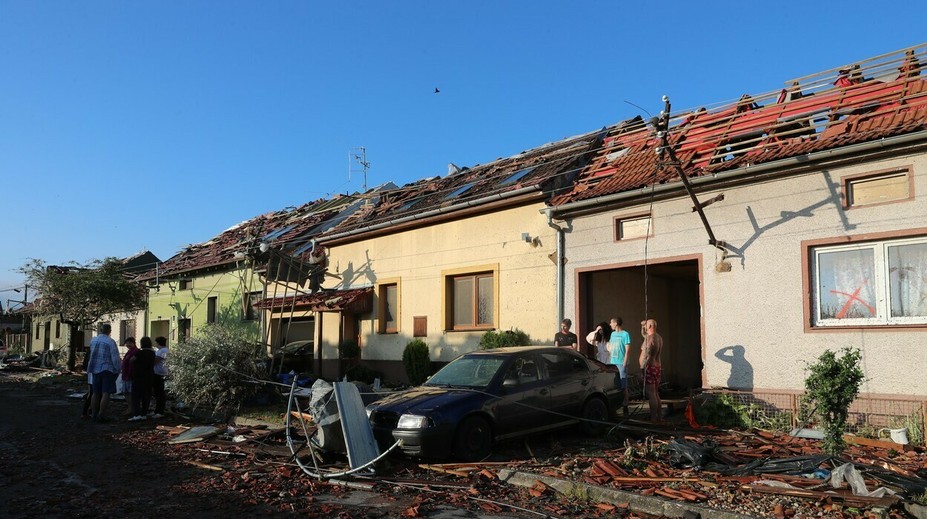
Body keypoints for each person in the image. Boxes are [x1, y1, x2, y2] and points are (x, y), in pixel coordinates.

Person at [87, 323, 121, 423]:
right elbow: (115, 357)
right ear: (109, 331)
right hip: (107, 369)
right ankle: (101, 414)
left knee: (95, 393)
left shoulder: (93, 340)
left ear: (100, 330)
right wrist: (118, 369)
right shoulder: (110, 342)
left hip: (95, 369)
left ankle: (94, 413)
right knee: (106, 392)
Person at [639, 319, 664, 423]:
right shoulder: (658, 337)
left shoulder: (649, 339)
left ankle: (653, 418)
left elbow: (647, 355)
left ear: (649, 326)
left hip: (649, 367)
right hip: (657, 367)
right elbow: (644, 334)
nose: (644, 327)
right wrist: (642, 327)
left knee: (652, 394)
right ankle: (659, 417)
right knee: (656, 393)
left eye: (646, 326)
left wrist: (641, 369)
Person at [607, 317, 632, 415]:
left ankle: (625, 405)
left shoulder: (625, 334)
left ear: (616, 323)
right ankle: (616, 406)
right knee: (615, 384)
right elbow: (610, 346)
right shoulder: (612, 334)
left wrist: (625, 362)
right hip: (613, 361)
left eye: (611, 322)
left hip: (621, 362)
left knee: (623, 385)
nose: (610, 324)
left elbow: (627, 350)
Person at [129, 337, 156, 421]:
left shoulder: (140, 352)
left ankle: (137, 414)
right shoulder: (153, 353)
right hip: (149, 376)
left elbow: (131, 360)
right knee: (146, 395)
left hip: (138, 376)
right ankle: (144, 413)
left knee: (136, 396)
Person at [151, 336, 169, 418]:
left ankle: (160, 412)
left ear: (158, 343)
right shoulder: (160, 350)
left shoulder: (163, 351)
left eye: (156, 342)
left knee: (159, 393)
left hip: (160, 374)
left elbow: (155, 361)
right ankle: (156, 410)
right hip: (158, 373)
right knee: (157, 393)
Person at [120, 337, 138, 417]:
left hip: (130, 376)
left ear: (133, 343)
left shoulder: (135, 352)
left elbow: (132, 365)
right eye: (127, 343)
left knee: (130, 393)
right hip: (125, 375)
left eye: (130, 343)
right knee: (126, 392)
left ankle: (132, 408)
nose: (128, 344)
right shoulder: (129, 352)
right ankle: (130, 407)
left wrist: (128, 375)